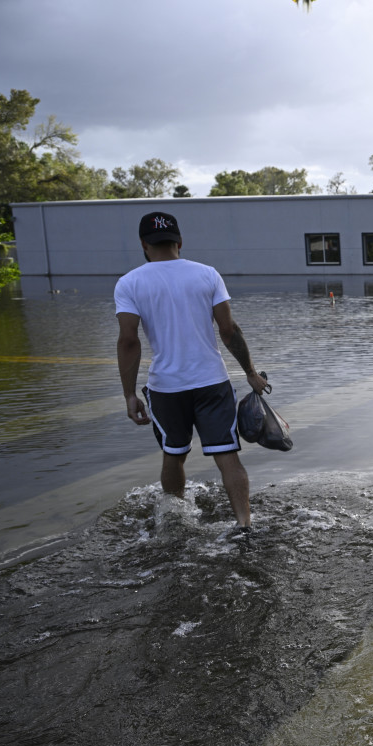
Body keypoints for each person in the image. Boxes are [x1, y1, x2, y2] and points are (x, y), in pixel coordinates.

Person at [115, 211, 268, 535]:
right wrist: (251, 373)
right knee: (227, 455)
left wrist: (129, 395)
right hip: (212, 382)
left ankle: (175, 523)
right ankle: (244, 525)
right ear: (179, 242)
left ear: (144, 244)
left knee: (174, 454)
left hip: (166, 389)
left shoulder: (129, 283)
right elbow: (228, 331)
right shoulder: (207, 275)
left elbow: (129, 341)